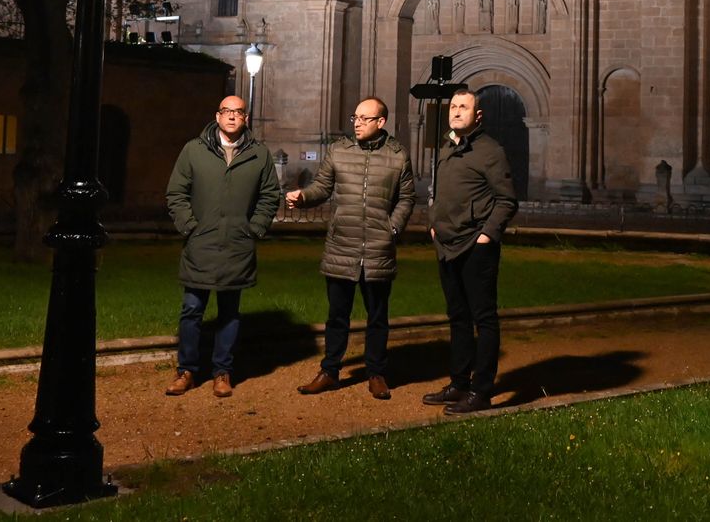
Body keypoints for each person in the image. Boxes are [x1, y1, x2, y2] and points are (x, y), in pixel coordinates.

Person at [287, 97, 416, 400]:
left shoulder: (398, 156)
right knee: (337, 316)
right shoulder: (339, 150)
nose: (356, 123)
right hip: (341, 247)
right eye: (354, 117)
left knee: (377, 317)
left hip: (378, 249)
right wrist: (304, 198)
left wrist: (392, 228)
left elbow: (407, 198)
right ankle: (330, 372)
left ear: (380, 122)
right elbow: (322, 186)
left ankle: (376, 373)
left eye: (363, 118)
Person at [163, 94, 280, 398]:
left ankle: (222, 372)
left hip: (236, 246)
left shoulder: (259, 155)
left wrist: (254, 229)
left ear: (246, 118)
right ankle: (186, 370)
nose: (231, 116)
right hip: (200, 244)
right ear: (217, 116)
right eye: (226, 111)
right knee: (192, 309)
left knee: (229, 312)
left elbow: (270, 196)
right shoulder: (193, 150)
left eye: (238, 112)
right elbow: (176, 193)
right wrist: (190, 227)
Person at [422, 90, 517, 414]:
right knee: (458, 317)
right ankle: (459, 384)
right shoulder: (447, 147)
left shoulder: (491, 151)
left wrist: (487, 237)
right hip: (446, 245)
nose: (456, 111)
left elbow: (506, 200)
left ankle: (482, 391)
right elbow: (438, 192)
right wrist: (433, 223)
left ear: (478, 116)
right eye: (453, 106)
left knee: (484, 319)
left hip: (476, 247)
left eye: (464, 107)